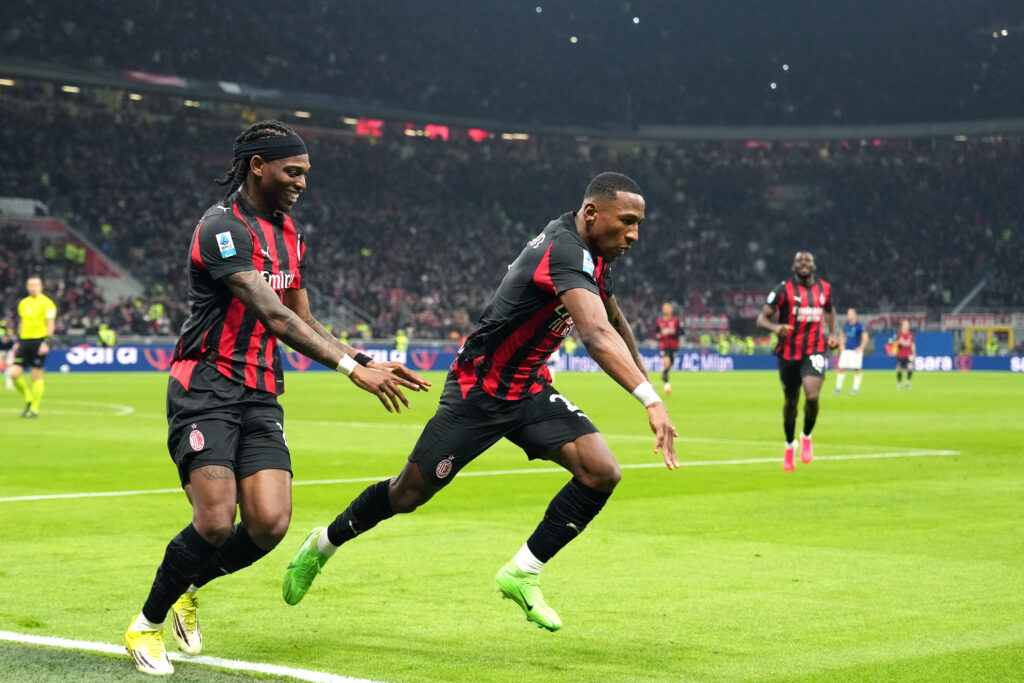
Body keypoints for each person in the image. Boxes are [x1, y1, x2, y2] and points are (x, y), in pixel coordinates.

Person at [281, 172, 678, 632]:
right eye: (627, 221)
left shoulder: (592, 256)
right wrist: (650, 400)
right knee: (406, 494)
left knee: (601, 471)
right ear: (591, 212)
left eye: (638, 224)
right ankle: (323, 544)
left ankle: (522, 572)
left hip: (529, 390)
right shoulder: (565, 250)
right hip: (479, 392)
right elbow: (594, 332)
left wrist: (645, 381)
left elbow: (613, 318)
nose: (634, 235)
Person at [124, 120, 430, 676]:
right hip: (207, 387)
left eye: (306, 173)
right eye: (293, 171)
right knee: (215, 522)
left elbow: (301, 316)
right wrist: (348, 370)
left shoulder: (291, 233)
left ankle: (188, 586)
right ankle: (145, 625)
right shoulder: (221, 228)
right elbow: (272, 313)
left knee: (268, 523)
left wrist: (363, 359)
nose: (302, 182)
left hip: (262, 392)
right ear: (257, 166)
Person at [756, 251, 837, 471]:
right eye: (799, 260)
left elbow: (829, 311)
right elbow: (762, 319)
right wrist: (776, 328)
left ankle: (807, 436)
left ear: (814, 265)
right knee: (791, 402)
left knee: (812, 396)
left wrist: (833, 334)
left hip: (815, 350)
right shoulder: (783, 290)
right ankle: (790, 445)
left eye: (807, 260)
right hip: (788, 354)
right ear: (794, 266)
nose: (803, 263)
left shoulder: (825, 289)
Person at [10, 276, 57, 417]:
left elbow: (50, 324)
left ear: (41, 287)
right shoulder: (23, 303)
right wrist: (18, 341)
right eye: (31, 285)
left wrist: (46, 342)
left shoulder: (48, 304)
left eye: (36, 285)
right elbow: (22, 322)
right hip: (24, 342)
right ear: (27, 287)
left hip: (39, 342)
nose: (33, 288)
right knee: (13, 374)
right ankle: (29, 398)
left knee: (36, 376)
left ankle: (34, 408)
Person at [834, 308, 868, 395]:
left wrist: (861, 347)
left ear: (855, 315)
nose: (849, 316)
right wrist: (841, 345)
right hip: (846, 350)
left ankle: (855, 389)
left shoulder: (860, 326)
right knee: (841, 368)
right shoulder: (846, 325)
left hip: (856, 351)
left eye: (850, 314)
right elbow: (842, 335)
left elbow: (865, 337)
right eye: (848, 314)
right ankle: (838, 388)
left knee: (857, 369)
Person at [654, 301, 681, 394]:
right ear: (662, 310)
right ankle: (667, 386)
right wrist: (658, 336)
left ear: (671, 309)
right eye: (664, 308)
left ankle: (664, 374)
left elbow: (681, 332)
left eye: (667, 307)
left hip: (674, 346)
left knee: (669, 365)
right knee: (667, 363)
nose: (666, 309)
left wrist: (673, 332)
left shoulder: (675, 321)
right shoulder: (659, 321)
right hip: (664, 345)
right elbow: (656, 332)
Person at [895, 320, 916, 389]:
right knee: (899, 369)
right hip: (901, 354)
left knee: (910, 367)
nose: (906, 326)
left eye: (907, 325)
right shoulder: (899, 334)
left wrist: (914, 353)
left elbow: (912, 344)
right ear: (902, 326)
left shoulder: (911, 334)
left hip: (909, 354)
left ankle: (908, 381)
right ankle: (899, 382)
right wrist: (899, 341)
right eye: (905, 325)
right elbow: (895, 344)